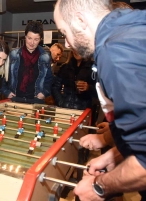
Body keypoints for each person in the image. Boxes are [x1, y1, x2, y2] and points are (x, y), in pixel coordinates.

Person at [54, 0, 146, 200]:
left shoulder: (114, 52)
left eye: (64, 32)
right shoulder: (132, 27)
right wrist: (114, 156)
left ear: (79, 20)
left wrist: (98, 186)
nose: (67, 43)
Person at [0, 21, 53, 104]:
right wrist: (6, 92)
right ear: (25, 37)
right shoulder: (13, 55)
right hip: (15, 100)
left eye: (36, 39)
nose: (32, 43)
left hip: (36, 101)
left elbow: (49, 79)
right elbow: (4, 76)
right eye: (29, 38)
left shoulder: (45, 57)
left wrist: (44, 93)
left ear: (40, 39)